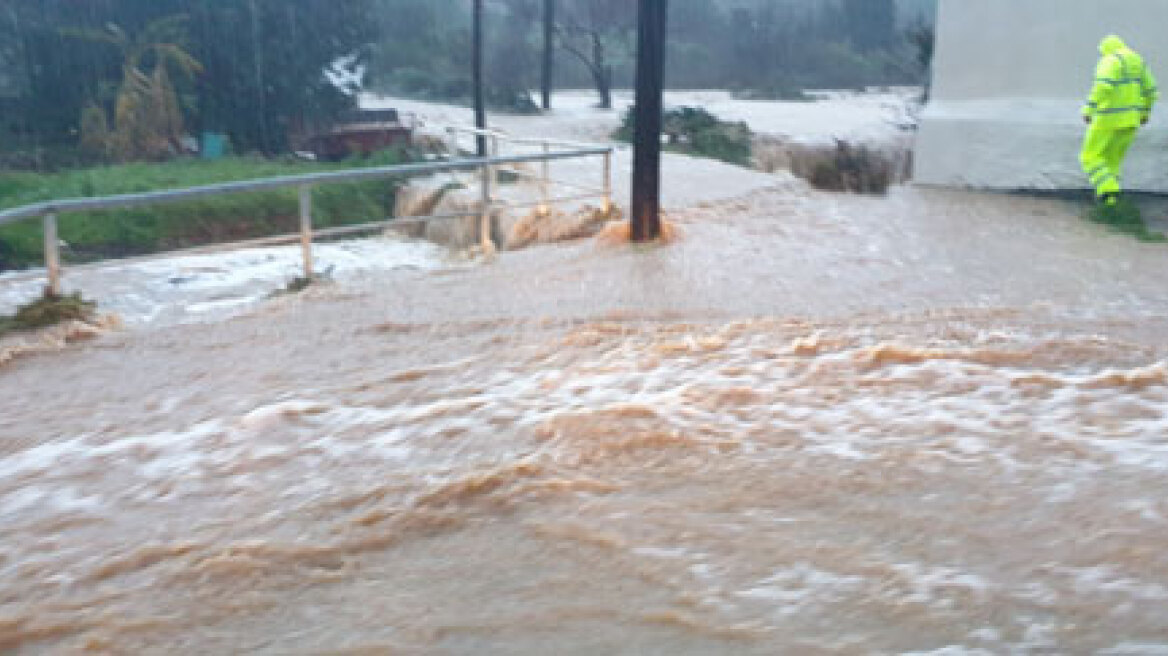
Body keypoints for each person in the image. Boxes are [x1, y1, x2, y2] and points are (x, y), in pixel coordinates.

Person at [1081, 35, 1158, 206]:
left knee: (1090, 156)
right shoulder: (1138, 61)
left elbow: (1102, 87)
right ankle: (1111, 203)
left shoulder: (1110, 61)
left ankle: (1108, 190)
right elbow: (1151, 91)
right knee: (1113, 160)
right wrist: (1145, 113)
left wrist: (1088, 109)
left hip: (1107, 119)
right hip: (1131, 121)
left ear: (1105, 50)